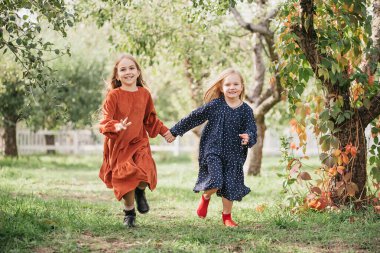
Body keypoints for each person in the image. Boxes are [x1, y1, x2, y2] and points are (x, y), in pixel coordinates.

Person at [166, 68, 257, 227]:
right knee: (215, 181)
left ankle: (227, 217)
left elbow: (252, 129)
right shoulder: (215, 105)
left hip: (234, 154)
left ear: (242, 87)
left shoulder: (246, 110)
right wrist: (175, 131)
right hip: (213, 150)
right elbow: (195, 117)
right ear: (221, 87)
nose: (232, 87)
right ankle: (205, 197)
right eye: (227, 84)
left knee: (229, 185)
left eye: (236, 84)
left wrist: (248, 137)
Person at [99, 54, 174, 227]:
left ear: (138, 72)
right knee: (126, 177)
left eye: (131, 68)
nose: (128, 72)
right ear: (117, 75)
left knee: (144, 170)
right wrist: (116, 126)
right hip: (119, 146)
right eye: (123, 69)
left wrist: (165, 132)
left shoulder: (144, 94)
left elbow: (151, 119)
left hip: (139, 141)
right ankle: (129, 213)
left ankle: (141, 191)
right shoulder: (113, 96)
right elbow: (105, 121)